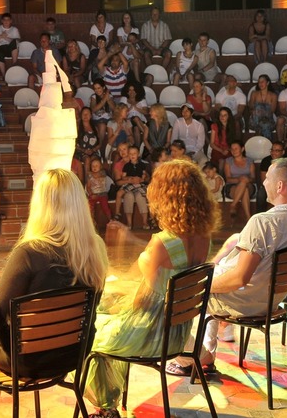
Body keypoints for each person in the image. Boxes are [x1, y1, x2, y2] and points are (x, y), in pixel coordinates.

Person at [85, 160, 214, 417]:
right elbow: (166, 267)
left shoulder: (162, 243)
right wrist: (130, 239)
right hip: (177, 332)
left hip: (152, 336)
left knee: (87, 330)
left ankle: (105, 407)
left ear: (166, 197)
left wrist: (116, 254)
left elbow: (137, 292)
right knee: (105, 309)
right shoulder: (203, 237)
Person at [0, 169, 107, 418]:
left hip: (27, 360)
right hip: (73, 354)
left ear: (40, 205)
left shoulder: (29, 252)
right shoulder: (95, 248)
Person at [168, 158, 287, 373]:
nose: (264, 183)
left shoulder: (263, 222)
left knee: (172, 297)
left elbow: (239, 278)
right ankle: (207, 352)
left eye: (267, 179)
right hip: (271, 299)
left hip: (247, 302)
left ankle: (193, 359)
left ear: (280, 186)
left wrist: (202, 286)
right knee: (226, 253)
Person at [117, 145, 151, 230]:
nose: (132, 155)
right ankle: (129, 223)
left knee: (141, 196)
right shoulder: (126, 166)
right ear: (128, 155)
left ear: (138, 154)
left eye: (134, 153)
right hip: (130, 184)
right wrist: (130, 179)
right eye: (130, 154)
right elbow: (123, 177)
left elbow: (144, 175)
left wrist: (142, 179)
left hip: (139, 184)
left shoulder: (142, 165)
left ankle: (145, 222)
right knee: (128, 196)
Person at [223, 140, 255, 222]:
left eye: (236, 148)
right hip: (232, 186)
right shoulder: (228, 161)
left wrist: (246, 180)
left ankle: (233, 204)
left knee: (245, 183)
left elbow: (253, 178)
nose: (234, 151)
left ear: (242, 149)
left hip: (248, 184)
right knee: (245, 190)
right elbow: (228, 179)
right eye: (232, 149)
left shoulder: (249, 161)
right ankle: (248, 217)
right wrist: (239, 180)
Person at [248, 74, 278, 139]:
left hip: (268, 119)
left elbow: (272, 111)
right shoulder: (254, 93)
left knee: (265, 124)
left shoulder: (273, 95)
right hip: (255, 120)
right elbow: (251, 107)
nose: (260, 84)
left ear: (267, 83)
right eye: (259, 82)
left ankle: (259, 134)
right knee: (258, 108)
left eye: (262, 82)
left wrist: (261, 111)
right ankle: (267, 142)